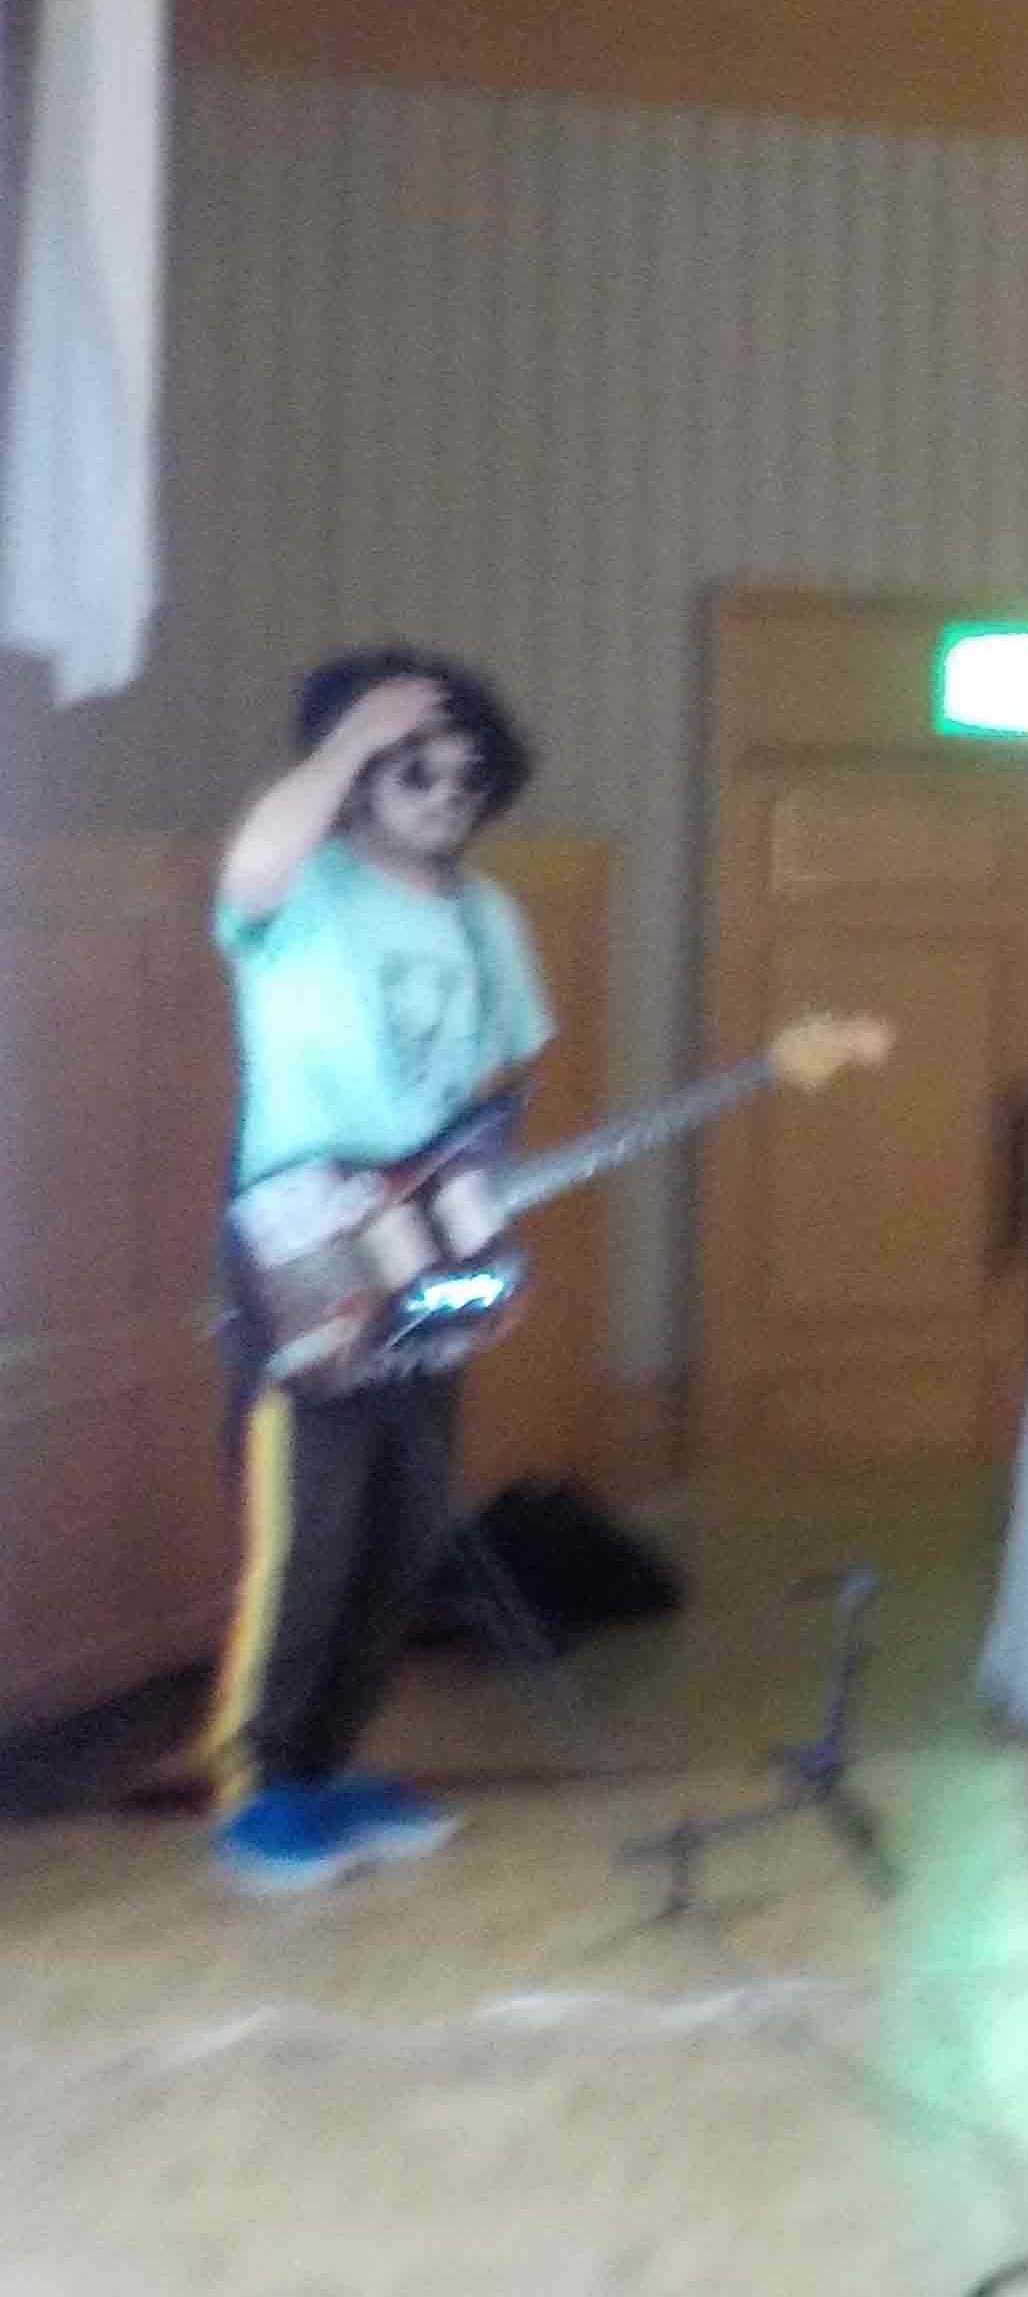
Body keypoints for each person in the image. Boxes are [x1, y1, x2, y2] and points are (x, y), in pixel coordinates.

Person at [194, 650, 554, 1899]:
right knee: (316, 1518)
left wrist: (481, 1229)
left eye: (467, 776)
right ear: (354, 776)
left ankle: (329, 1763)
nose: (448, 793)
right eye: (415, 770)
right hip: (302, 1235)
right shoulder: (303, 884)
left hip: (432, 1237)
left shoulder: (488, 915)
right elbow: (250, 870)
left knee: (407, 1518)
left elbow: (494, 1089)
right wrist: (349, 737)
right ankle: (260, 1788)